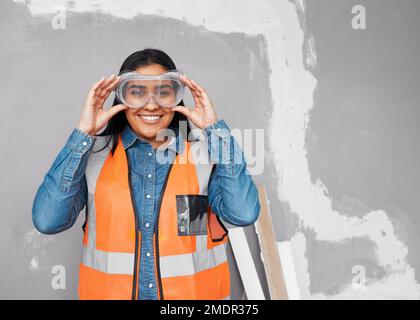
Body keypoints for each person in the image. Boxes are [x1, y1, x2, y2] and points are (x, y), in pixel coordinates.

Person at [32, 48, 260, 300]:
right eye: (137, 92)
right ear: (121, 99)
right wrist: (83, 134)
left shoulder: (205, 156)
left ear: (177, 98)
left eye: (164, 92)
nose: (151, 104)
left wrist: (215, 132)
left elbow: (243, 213)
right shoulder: (93, 155)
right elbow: (47, 220)